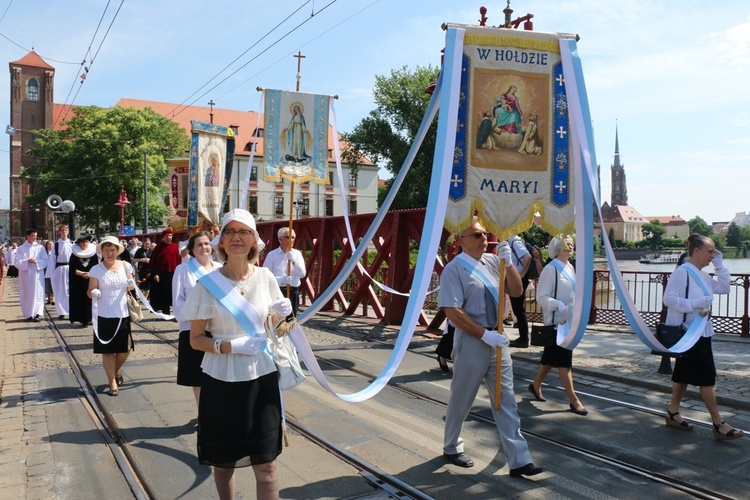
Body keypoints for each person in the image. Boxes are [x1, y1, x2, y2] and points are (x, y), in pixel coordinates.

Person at [181, 209, 293, 499]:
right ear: (221, 241)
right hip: (221, 380)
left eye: (244, 232)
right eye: (230, 232)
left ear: (254, 240)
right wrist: (228, 346)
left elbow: (279, 331)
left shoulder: (267, 277)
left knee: (266, 465)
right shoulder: (207, 286)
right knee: (224, 462)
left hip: (261, 377)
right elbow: (195, 340)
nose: (236, 238)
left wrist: (285, 317)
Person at [438, 218, 545, 478]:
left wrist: (508, 264)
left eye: (484, 233)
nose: (483, 238)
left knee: (505, 400)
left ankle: (519, 460)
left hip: (497, 341)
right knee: (462, 398)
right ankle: (451, 446)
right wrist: (484, 334)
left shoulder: (491, 261)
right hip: (474, 339)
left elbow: (517, 292)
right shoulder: (454, 269)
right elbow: (452, 311)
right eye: (476, 235)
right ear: (460, 241)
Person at [663, 234, 743, 440]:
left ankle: (672, 413)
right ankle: (718, 424)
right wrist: (696, 303)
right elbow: (669, 299)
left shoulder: (704, 275)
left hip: (702, 332)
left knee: (682, 375)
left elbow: (725, 288)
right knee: (707, 378)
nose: (712, 255)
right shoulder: (682, 272)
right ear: (696, 251)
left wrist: (719, 264)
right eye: (710, 251)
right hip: (689, 333)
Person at [528, 235, 588, 415]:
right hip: (557, 324)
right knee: (564, 362)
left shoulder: (570, 267)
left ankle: (536, 384)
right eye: (566, 245)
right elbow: (541, 297)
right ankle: (574, 400)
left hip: (569, 322)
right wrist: (556, 304)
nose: (570, 247)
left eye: (571, 244)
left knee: (550, 358)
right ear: (557, 247)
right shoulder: (550, 269)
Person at [172, 231, 222, 406]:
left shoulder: (219, 268)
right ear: (192, 249)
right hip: (193, 328)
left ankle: (214, 408)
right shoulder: (183, 269)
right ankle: (203, 413)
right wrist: (198, 317)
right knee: (198, 374)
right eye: (199, 244)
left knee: (217, 372)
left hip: (218, 328)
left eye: (207, 243)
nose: (204, 247)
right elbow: (178, 302)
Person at [88, 236, 136, 397]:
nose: (109, 253)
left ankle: (114, 371)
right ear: (102, 252)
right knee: (108, 351)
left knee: (126, 348)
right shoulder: (96, 269)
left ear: (117, 251)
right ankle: (112, 381)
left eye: (112, 250)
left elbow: (131, 283)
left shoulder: (125, 266)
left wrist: (131, 285)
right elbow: (90, 291)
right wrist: (94, 292)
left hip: (122, 313)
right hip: (104, 314)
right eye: (106, 250)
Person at [262, 227, 306, 316]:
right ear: (280, 239)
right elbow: (265, 276)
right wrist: (281, 280)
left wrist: (294, 261)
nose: (291, 240)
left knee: (291, 320)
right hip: (277, 291)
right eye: (288, 237)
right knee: (277, 319)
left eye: (293, 237)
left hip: (293, 291)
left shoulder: (297, 254)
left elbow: (302, 274)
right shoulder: (272, 255)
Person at [16, 229, 48, 321]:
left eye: (35, 235)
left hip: (37, 275)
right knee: (27, 293)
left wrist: (37, 261)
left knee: (38, 293)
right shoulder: (21, 248)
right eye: (33, 235)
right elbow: (17, 262)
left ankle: (37, 313)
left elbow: (46, 261)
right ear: (27, 236)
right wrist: (27, 261)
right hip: (26, 275)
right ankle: (29, 314)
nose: (35, 237)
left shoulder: (40, 248)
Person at [507, 235, 532, 348]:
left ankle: (523, 339)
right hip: (517, 278)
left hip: (519, 278)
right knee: (518, 309)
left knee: (519, 310)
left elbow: (527, 257)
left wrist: (521, 275)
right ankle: (523, 338)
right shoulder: (513, 241)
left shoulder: (515, 242)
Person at [69, 235, 99, 328]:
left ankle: (90, 318)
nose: (85, 244)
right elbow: (72, 269)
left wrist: (90, 274)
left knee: (89, 298)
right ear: (79, 244)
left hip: (90, 279)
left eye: (86, 242)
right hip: (78, 280)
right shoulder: (74, 255)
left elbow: (96, 266)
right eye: (83, 242)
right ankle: (81, 318)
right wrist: (82, 273)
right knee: (80, 298)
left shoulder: (93, 254)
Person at [149, 228, 181, 315]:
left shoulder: (175, 247)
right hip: (162, 275)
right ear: (163, 237)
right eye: (167, 236)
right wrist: (155, 274)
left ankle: (176, 312)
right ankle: (165, 311)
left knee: (175, 293)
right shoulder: (158, 248)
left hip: (173, 274)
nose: (168, 237)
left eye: (170, 235)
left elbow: (179, 261)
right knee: (164, 293)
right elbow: (153, 262)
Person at [50, 224, 73, 319]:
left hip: (70, 268)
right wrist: (52, 273)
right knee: (59, 291)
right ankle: (61, 311)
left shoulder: (72, 244)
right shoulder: (56, 245)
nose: (64, 232)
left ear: (68, 232)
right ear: (59, 232)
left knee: (69, 290)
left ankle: (70, 310)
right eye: (62, 230)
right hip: (59, 269)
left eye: (66, 230)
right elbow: (52, 260)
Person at [44, 240, 55, 306]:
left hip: (53, 269)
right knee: (47, 284)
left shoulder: (55, 252)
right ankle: (48, 298)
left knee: (53, 284)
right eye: (49, 244)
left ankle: (53, 298)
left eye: (52, 244)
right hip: (46, 269)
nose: (50, 246)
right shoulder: (44, 252)